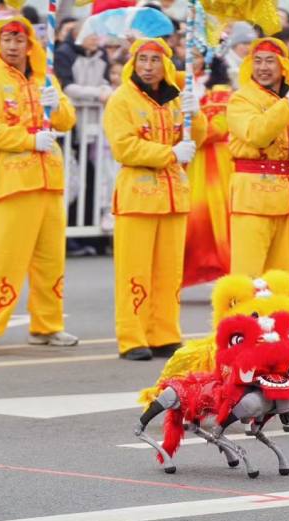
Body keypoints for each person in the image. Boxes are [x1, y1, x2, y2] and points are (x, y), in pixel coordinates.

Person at [0, 17, 78, 350]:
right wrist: (29, 141)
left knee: (50, 260)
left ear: (30, 45)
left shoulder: (46, 77)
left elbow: (67, 120)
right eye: (7, 40)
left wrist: (56, 106)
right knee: (3, 257)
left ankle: (47, 326)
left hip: (49, 180)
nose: (14, 46)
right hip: (12, 181)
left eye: (19, 40)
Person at [103, 38, 207, 360]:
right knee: (134, 271)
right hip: (137, 196)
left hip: (173, 195)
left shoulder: (175, 98)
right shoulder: (121, 99)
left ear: (167, 64)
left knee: (168, 271)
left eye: (155, 60)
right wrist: (169, 153)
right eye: (143, 59)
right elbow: (124, 147)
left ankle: (164, 334)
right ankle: (132, 337)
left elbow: (195, 139)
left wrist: (195, 114)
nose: (148, 67)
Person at [226, 37, 289, 293]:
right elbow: (256, 133)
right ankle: (242, 320)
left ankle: (282, 320)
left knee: (284, 279)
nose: (263, 67)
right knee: (248, 279)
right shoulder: (241, 99)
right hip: (253, 196)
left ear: (283, 65)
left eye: (270, 61)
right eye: (257, 61)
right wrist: (288, 104)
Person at [183, 55, 233, 288]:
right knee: (190, 219)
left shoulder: (220, 91)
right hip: (190, 160)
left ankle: (229, 271)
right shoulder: (180, 87)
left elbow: (219, 128)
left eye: (198, 55)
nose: (192, 60)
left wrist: (195, 118)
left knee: (219, 216)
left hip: (216, 162)